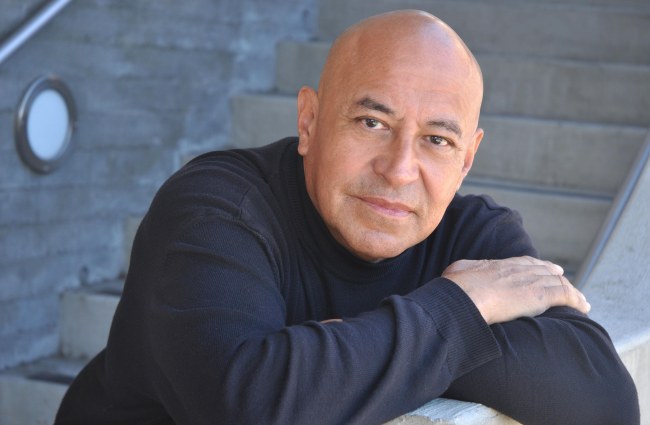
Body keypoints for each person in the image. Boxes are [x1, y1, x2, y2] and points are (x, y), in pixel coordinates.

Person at [55, 10, 639, 425]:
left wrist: (340, 350)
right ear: (309, 122)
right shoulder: (217, 206)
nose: (399, 169)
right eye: (371, 123)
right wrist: (459, 310)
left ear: (467, 160)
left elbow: (603, 398)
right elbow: (246, 407)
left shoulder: (474, 235)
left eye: (437, 140)